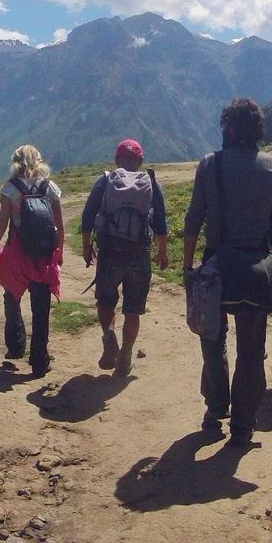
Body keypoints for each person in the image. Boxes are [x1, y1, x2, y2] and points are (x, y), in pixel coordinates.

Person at [182, 98, 272, 447]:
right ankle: (243, 425)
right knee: (251, 350)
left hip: (216, 270)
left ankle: (215, 406)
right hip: (257, 271)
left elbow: (193, 220)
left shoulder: (210, 165)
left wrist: (186, 268)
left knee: (212, 338)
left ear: (230, 128)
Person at [80, 138, 169, 377]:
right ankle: (126, 353)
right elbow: (161, 223)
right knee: (133, 309)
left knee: (105, 301)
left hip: (110, 252)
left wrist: (87, 248)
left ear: (117, 160)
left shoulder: (106, 180)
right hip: (139, 254)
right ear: (140, 161)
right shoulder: (150, 183)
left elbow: (87, 217)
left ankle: (109, 335)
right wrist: (162, 252)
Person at [0, 144, 64, 376]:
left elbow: (2, 222)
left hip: (17, 253)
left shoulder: (11, 189)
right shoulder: (50, 187)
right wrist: (59, 251)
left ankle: (16, 345)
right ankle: (39, 359)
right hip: (43, 255)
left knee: (11, 296)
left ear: (15, 162)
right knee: (41, 307)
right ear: (38, 161)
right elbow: (59, 224)